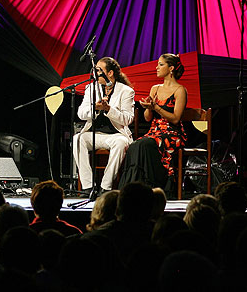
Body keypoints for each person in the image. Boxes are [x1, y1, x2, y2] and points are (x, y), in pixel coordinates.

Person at [119, 53, 187, 189]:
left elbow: (175, 119)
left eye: (161, 65)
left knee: (144, 145)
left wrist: (156, 107)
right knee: (134, 145)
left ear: (171, 68)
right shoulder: (155, 88)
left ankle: (151, 185)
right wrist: (149, 108)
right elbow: (147, 118)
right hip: (155, 131)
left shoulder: (180, 90)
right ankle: (133, 186)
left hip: (172, 133)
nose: (157, 67)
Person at [72, 56, 135, 194]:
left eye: (98, 70)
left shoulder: (126, 91)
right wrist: (95, 108)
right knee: (77, 139)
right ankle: (88, 187)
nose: (94, 73)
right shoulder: (91, 88)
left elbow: (127, 119)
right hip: (94, 134)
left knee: (120, 143)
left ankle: (105, 187)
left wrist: (108, 110)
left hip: (116, 135)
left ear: (110, 73)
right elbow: (81, 113)